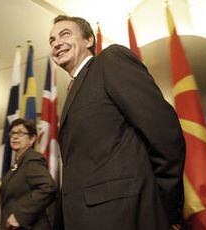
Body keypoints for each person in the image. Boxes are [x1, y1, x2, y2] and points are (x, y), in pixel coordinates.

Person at [49, 15, 186, 229]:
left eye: (65, 34)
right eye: (52, 40)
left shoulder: (110, 60)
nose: (56, 43)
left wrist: (162, 207)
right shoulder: (73, 91)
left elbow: (164, 132)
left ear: (89, 40)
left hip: (125, 216)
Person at [0, 118, 57, 229]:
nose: (15, 136)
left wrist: (20, 215)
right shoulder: (16, 166)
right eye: (12, 133)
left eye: (20, 133)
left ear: (32, 139)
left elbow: (48, 187)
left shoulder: (32, 159)